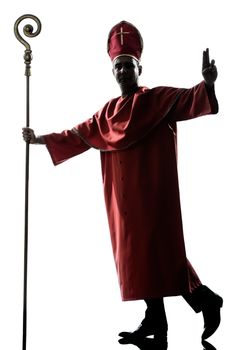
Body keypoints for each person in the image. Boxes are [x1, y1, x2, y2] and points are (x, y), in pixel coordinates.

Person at [22, 21, 223, 348]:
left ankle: (201, 301)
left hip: (153, 193)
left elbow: (191, 99)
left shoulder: (157, 99)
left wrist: (207, 84)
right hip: (122, 200)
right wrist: (39, 139)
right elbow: (77, 134)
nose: (123, 71)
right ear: (112, 71)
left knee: (162, 253)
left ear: (139, 67)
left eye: (128, 65)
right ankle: (158, 318)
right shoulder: (107, 113)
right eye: (118, 66)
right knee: (139, 258)